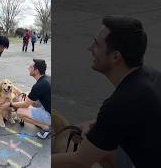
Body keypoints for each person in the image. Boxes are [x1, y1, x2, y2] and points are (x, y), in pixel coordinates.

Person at [53, 16, 161, 168]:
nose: (89, 48)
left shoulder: (121, 102)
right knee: (94, 142)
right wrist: (93, 126)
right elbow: (123, 119)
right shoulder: (152, 76)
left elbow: (80, 161)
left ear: (116, 56)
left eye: (96, 45)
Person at [1, 59, 51, 139]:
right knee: (28, 95)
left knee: (20, 112)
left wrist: (10, 104)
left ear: (36, 70)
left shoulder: (39, 86)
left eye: (30, 67)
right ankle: (43, 121)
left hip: (50, 115)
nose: (28, 68)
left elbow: (25, 104)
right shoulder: (47, 78)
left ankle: (46, 127)